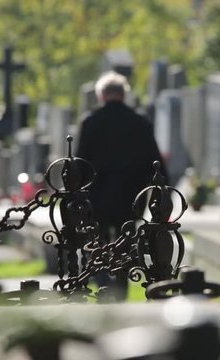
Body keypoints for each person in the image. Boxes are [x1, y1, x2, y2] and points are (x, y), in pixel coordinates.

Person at [76, 71, 166, 301]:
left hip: (98, 193)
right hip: (131, 194)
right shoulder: (139, 123)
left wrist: (77, 192)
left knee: (100, 240)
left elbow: (81, 162)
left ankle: (103, 280)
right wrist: (162, 190)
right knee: (126, 240)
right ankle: (121, 286)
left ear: (101, 95)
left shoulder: (91, 122)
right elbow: (154, 161)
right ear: (124, 94)